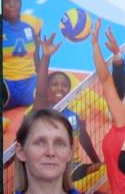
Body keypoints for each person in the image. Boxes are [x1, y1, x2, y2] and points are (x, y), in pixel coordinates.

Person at [32, 33, 101, 181]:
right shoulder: (42, 111)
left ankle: (79, 177)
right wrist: (46, 57)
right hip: (50, 168)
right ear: (47, 89)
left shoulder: (73, 116)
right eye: (55, 85)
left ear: (69, 91)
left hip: (74, 166)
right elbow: (40, 92)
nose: (60, 88)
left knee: (102, 170)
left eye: (64, 86)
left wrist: (96, 162)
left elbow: (84, 138)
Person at [90, 22, 125, 194]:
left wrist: (95, 45)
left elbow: (106, 81)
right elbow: (117, 82)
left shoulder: (124, 119)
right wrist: (117, 55)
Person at [1, 0, 42, 111]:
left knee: (49, 92)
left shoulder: (32, 23)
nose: (13, 5)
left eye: (16, 0)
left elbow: (36, 55)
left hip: (30, 84)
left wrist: (41, 79)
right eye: (7, 2)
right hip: (8, 85)